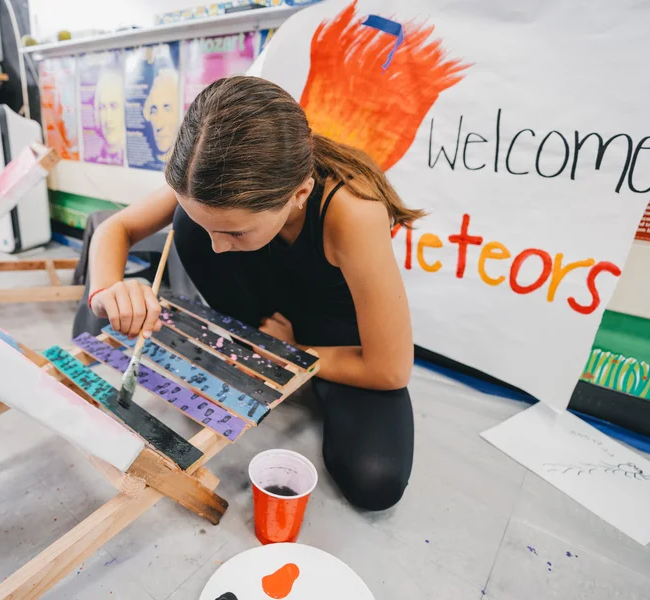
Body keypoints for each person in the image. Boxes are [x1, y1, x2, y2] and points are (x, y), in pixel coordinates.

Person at [78, 76, 420, 511]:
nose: (216, 248)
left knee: (375, 479)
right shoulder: (210, 176)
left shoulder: (353, 210)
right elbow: (115, 228)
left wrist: (295, 351)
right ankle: (243, 331)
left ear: (299, 194)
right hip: (258, 310)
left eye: (234, 232)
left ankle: (265, 346)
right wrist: (109, 290)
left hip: (330, 337)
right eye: (212, 230)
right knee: (181, 227)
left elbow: (391, 370)